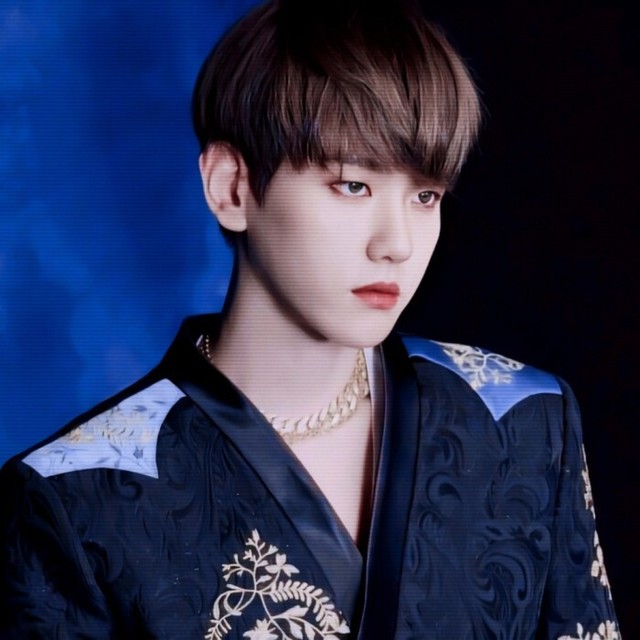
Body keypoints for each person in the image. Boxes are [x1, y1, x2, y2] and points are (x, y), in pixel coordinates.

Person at [0, 0, 620, 638]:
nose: (397, 243)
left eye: (425, 195)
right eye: (353, 186)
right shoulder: (73, 498)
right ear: (232, 188)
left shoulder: (523, 416)